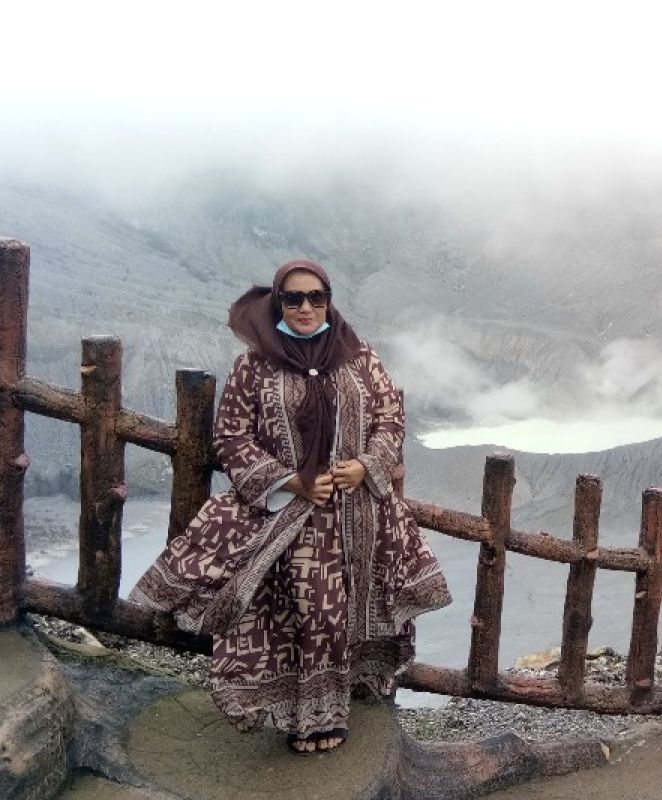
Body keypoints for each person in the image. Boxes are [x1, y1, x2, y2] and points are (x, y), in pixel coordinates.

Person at [131, 259, 451, 754]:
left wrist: (366, 465)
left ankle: (340, 703)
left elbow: (390, 415)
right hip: (291, 513)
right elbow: (232, 436)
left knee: (349, 613)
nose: (305, 307)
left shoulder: (357, 355)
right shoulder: (255, 364)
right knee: (310, 613)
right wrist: (292, 483)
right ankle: (310, 719)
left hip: (357, 513)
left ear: (329, 300)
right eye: (294, 298)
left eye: (316, 297)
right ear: (278, 302)